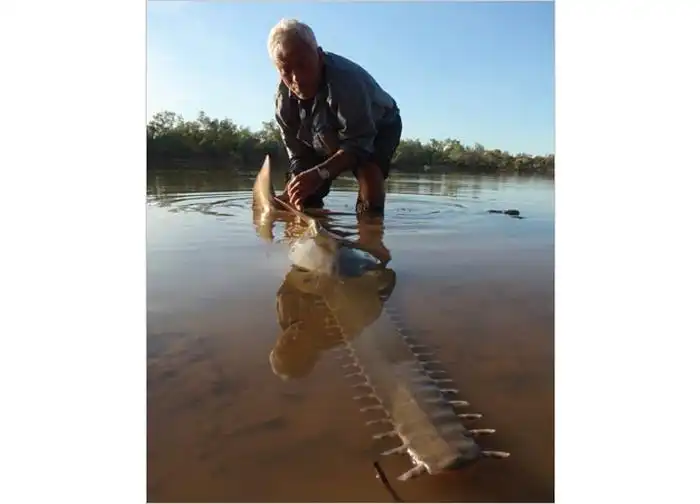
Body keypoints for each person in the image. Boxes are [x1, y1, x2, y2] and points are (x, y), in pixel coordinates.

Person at [267, 18, 403, 216]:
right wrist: (297, 184)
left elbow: (358, 145)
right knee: (303, 194)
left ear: (319, 56)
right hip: (324, 133)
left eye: (303, 64)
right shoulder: (283, 104)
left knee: (369, 175)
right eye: (286, 70)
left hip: (379, 125)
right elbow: (299, 156)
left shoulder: (347, 82)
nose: (297, 79)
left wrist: (320, 173)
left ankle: (371, 227)